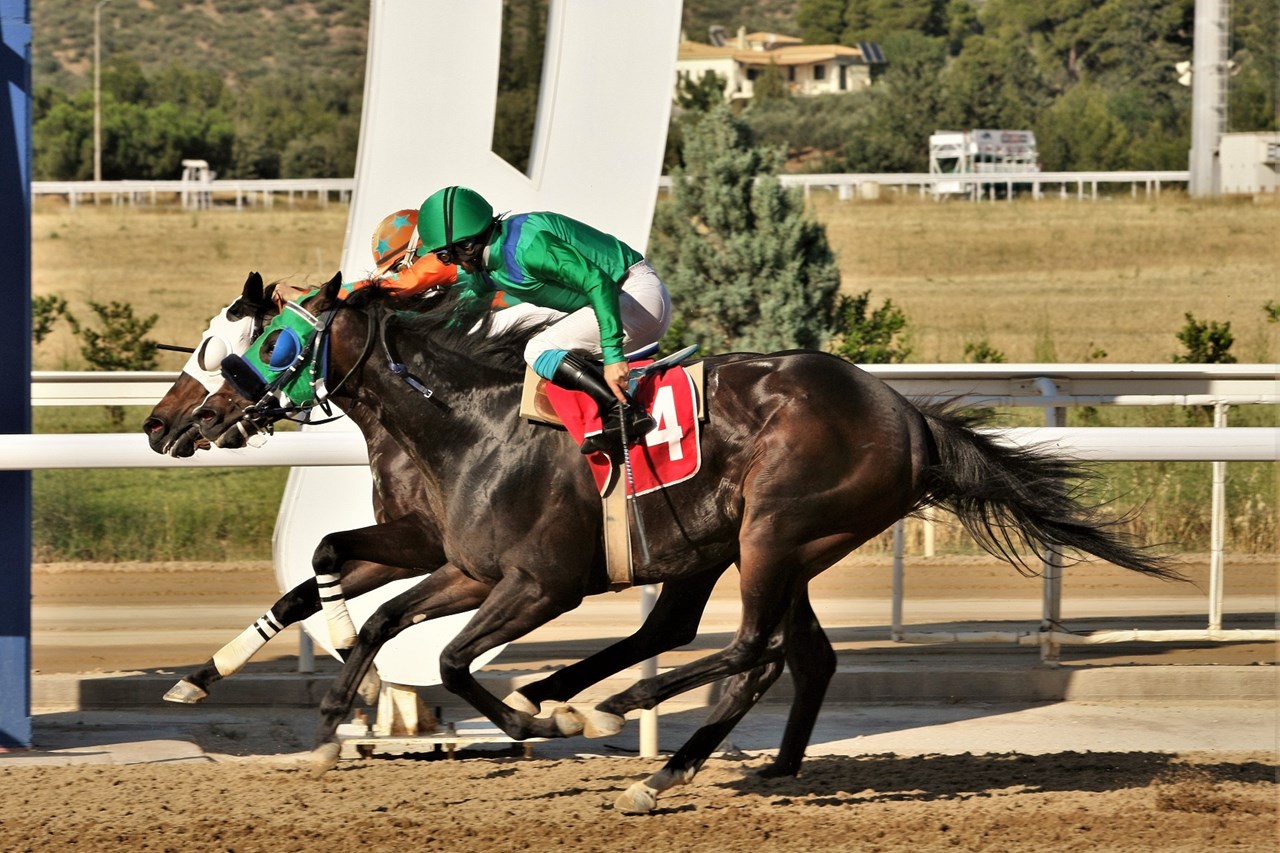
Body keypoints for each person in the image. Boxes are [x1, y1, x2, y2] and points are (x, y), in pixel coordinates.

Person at [416, 185, 672, 454]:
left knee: (538, 349)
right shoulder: (487, 261)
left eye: (446, 256)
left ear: (467, 245)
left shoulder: (527, 247)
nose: (450, 264)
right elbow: (465, 307)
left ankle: (623, 411)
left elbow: (598, 283)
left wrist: (612, 354)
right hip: (616, 302)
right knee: (531, 339)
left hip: (636, 297)